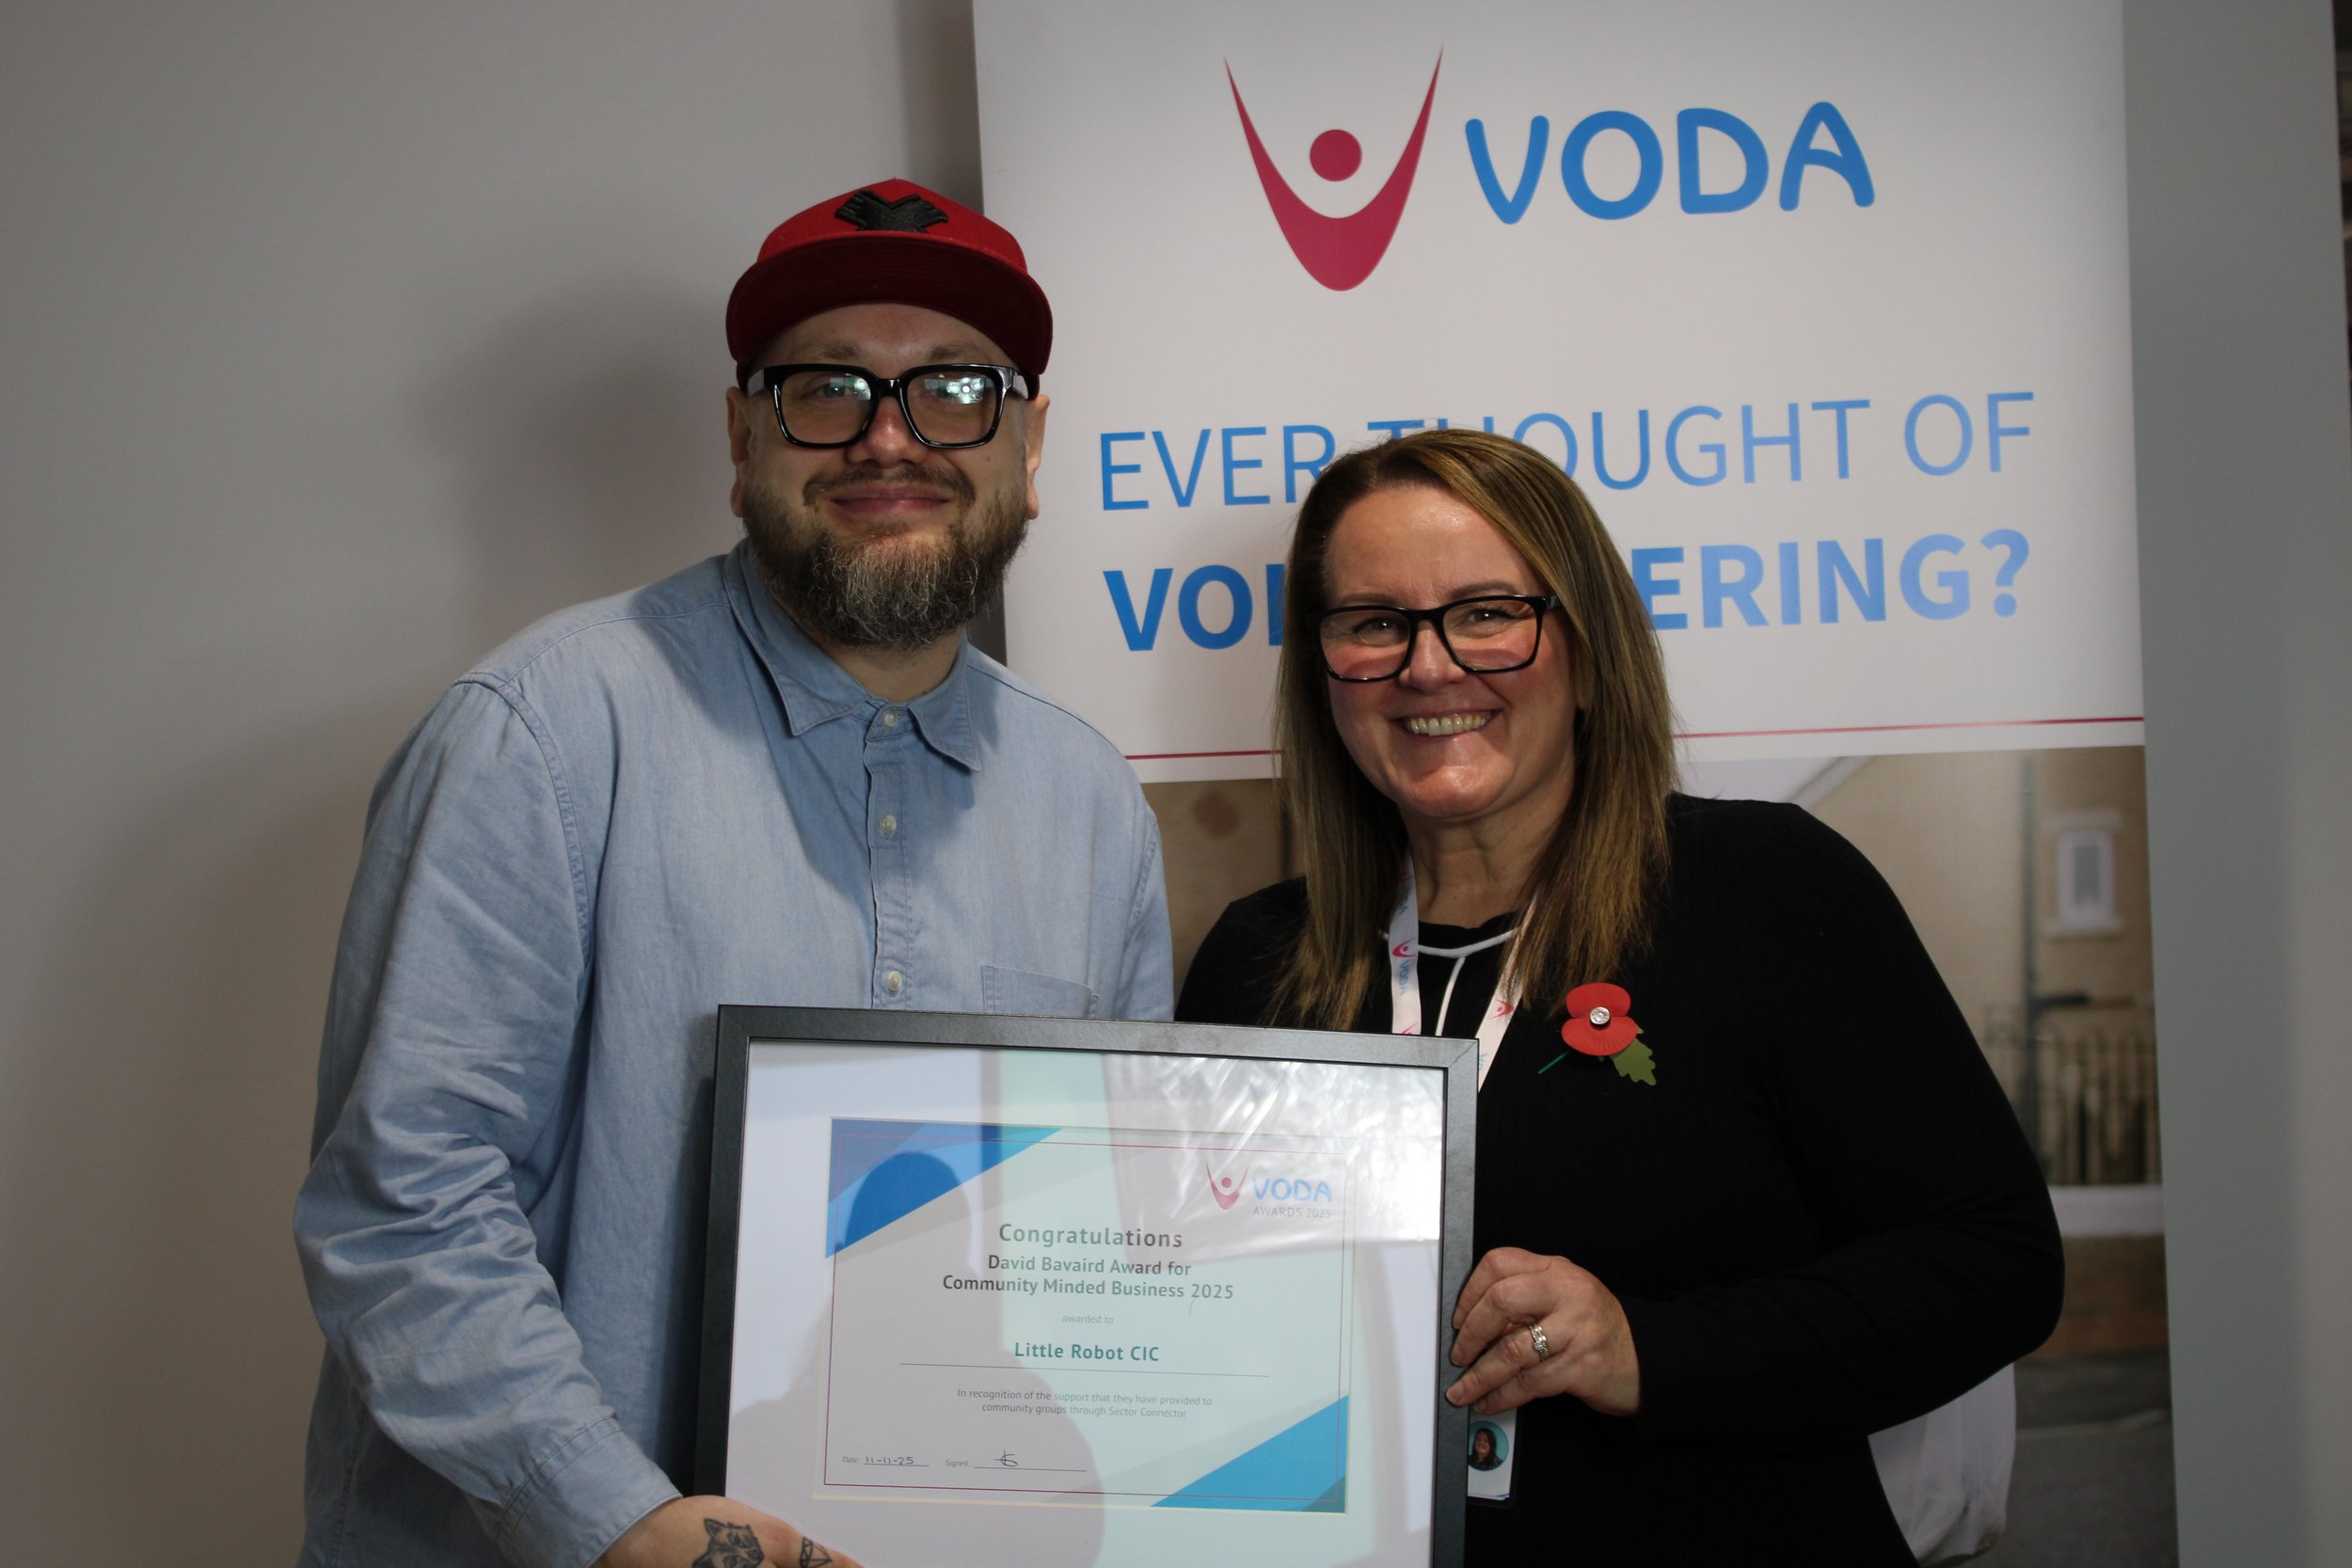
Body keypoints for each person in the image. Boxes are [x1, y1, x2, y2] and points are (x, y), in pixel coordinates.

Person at [294, 179, 1172, 1568]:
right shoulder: (542, 733)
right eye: (827, 387)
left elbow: (1097, 1242)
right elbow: (407, 1199)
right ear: (742, 433)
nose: (890, 436)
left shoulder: (1091, 803)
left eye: (953, 387)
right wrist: (616, 1517)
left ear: (1030, 440)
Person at [1176, 428, 2061, 1564]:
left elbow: (1993, 1263)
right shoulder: (1258, 957)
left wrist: (1648, 1348)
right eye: (1373, 622)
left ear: (1586, 650)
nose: (1429, 665)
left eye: (1488, 610)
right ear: (1322, 670)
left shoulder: (1765, 891)